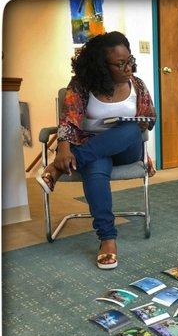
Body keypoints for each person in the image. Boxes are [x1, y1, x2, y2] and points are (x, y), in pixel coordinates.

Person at [36, 31, 156, 270]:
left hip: (127, 148)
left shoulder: (138, 85)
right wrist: (62, 149)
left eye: (130, 60)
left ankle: (56, 171)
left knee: (131, 129)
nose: (128, 67)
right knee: (96, 165)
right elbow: (68, 120)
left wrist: (145, 122)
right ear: (101, 66)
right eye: (120, 63)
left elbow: (150, 117)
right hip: (93, 149)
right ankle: (108, 239)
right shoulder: (82, 85)